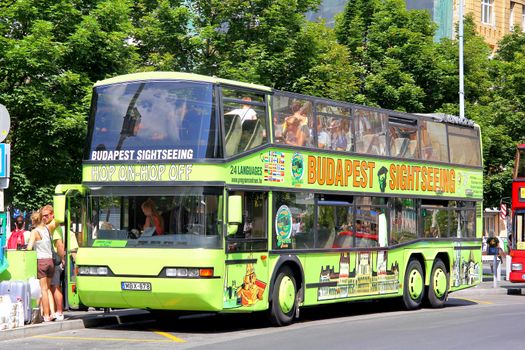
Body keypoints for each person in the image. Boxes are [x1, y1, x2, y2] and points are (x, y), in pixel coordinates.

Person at [26, 211, 55, 322]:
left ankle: (46, 315)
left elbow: (29, 247)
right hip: (50, 261)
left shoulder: (35, 231)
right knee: (47, 289)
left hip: (41, 261)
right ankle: (52, 313)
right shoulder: (47, 229)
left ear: (33, 221)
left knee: (43, 289)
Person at [41, 205, 65, 321]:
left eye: (46, 215)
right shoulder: (49, 227)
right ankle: (54, 311)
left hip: (55, 260)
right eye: (43, 216)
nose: (44, 218)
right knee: (50, 287)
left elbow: (59, 245)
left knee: (55, 287)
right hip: (52, 260)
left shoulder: (55, 228)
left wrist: (62, 258)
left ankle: (59, 312)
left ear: (52, 215)